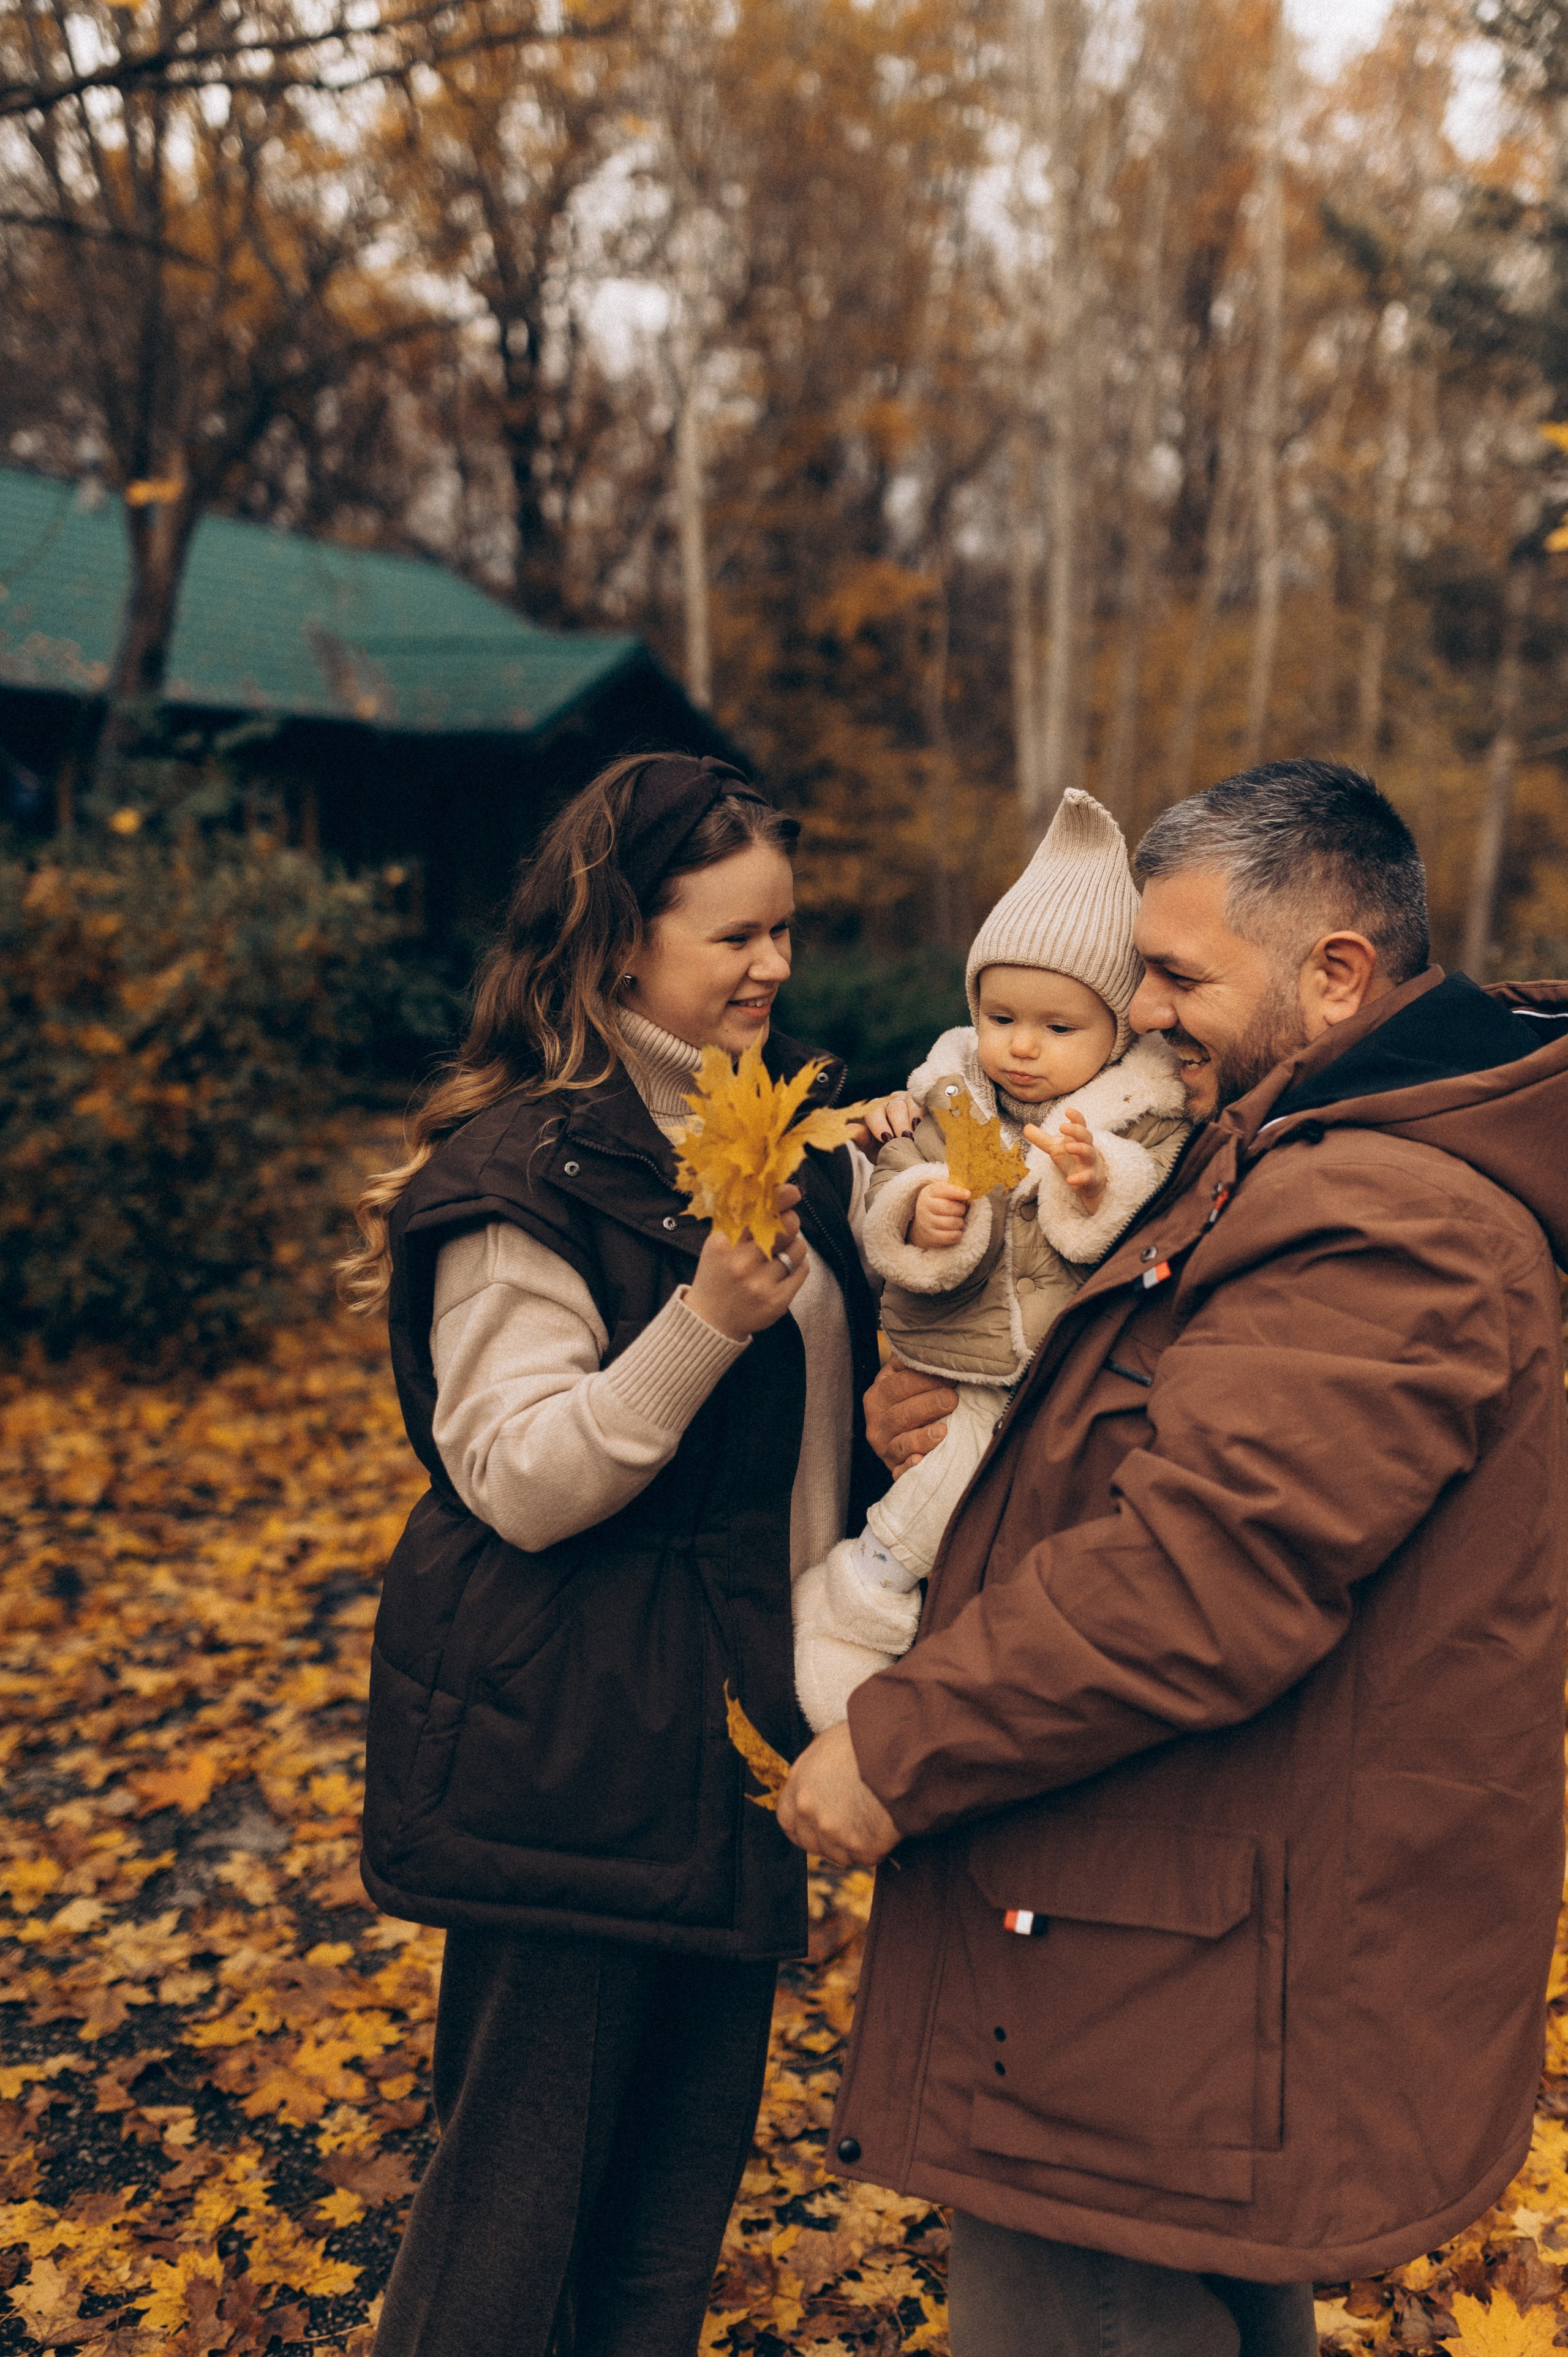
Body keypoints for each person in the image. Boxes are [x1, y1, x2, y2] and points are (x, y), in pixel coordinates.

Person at [778, 760, 1568, 2357]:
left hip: (1180, 1948)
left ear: (1335, 971)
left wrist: (898, 1745)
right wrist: (964, 1415)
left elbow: (1208, 1570)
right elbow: (1163, 1432)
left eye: (1181, 975)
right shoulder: (1302, 1142)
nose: (1140, 1010)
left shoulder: (1389, 1213)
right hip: (1178, 1925)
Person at [341, 752, 886, 2357]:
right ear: (617, 940)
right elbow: (513, 1475)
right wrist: (706, 1323)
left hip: (721, 1740)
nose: (775, 967)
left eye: (784, 931)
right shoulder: (528, 1172)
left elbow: (792, 1443)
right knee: (513, 2223)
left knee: (664, 2210)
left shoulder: (762, 1138)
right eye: (736, 936)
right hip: (574, 1746)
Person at [793, 790, 1188, 1732]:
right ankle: (861, 1594)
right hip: (958, 1357)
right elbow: (895, 1183)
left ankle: (896, 1609)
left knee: (999, 1507)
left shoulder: (1140, 1112)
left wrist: (1093, 1183)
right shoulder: (953, 1102)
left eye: (1059, 1028)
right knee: (945, 1483)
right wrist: (920, 1216)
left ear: (1119, 1034)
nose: (1021, 1046)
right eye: (1001, 1015)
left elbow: (1146, 1194)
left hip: (1059, 1369)